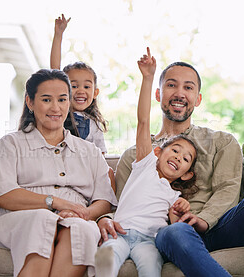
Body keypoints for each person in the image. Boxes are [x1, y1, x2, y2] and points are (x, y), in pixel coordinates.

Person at [97, 59, 244, 276]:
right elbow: (123, 204)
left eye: (188, 87)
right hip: (170, 235)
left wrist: (203, 219)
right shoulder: (138, 156)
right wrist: (103, 219)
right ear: (158, 94)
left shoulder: (221, 141)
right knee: (176, 231)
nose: (179, 93)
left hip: (217, 229)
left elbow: (228, 190)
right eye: (171, 85)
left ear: (197, 99)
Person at [0, 69, 118, 277]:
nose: (55, 107)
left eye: (62, 99)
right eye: (46, 100)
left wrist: (83, 213)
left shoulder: (90, 152)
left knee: (84, 229)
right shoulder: (9, 145)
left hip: (74, 217)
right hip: (19, 218)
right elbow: (2, 195)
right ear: (30, 102)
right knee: (42, 219)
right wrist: (57, 203)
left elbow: (104, 199)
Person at [95, 48, 198, 277]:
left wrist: (181, 211)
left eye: (185, 160)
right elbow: (143, 122)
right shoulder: (144, 165)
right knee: (103, 261)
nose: (177, 158)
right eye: (175, 151)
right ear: (158, 152)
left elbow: (173, 226)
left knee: (152, 269)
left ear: (186, 174)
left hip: (149, 242)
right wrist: (148, 78)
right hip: (119, 233)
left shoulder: (175, 197)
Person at [50, 14, 107, 154]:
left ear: (95, 93)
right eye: (74, 86)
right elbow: (54, 71)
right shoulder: (58, 115)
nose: (81, 91)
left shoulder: (94, 125)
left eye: (86, 87)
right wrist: (58, 35)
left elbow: (102, 156)